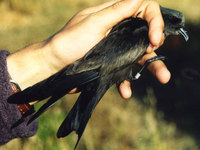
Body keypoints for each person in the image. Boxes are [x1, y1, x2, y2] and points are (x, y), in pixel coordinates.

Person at [0, 0, 170, 145]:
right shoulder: (136, 20)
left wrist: (47, 59)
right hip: (97, 69)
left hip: (100, 69)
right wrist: (49, 58)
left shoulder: (138, 30)